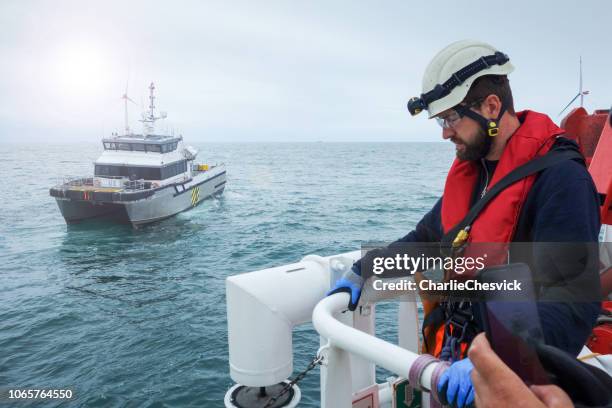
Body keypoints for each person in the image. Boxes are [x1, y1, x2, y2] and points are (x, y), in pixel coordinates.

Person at [327, 40, 602, 408]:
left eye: (451, 118)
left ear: (491, 107)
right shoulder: (476, 175)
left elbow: (571, 302)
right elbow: (425, 239)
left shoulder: (563, 182)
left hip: (513, 382)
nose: (444, 132)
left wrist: (497, 363)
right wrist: (365, 268)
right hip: (457, 365)